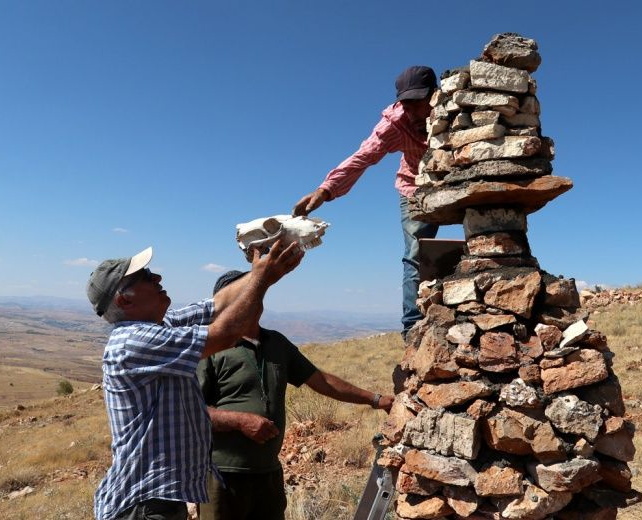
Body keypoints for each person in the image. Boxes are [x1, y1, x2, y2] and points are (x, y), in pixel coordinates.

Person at [86, 243, 303, 520]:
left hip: (158, 503)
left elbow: (219, 304)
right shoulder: (132, 342)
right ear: (124, 300)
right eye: (146, 276)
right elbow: (226, 334)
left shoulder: (160, 327)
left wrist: (265, 270)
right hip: (142, 507)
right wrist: (261, 278)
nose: (158, 278)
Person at [196, 269, 395, 520]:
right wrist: (240, 421)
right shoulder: (210, 348)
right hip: (222, 475)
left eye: (256, 290)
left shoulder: (277, 343)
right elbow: (190, 412)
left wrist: (375, 399)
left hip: (268, 473)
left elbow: (322, 381)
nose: (253, 298)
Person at [292, 65, 440, 339]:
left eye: (418, 103)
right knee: (416, 254)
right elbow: (363, 156)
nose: (413, 112)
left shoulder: (458, 111)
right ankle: (411, 329)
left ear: (434, 95)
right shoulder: (394, 123)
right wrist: (325, 190)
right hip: (415, 187)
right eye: (406, 104)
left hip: (457, 180)